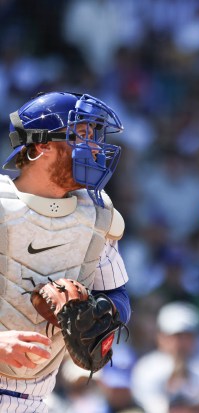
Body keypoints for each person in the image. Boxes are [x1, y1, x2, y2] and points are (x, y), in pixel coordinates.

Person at [0, 91, 131, 412]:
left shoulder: (98, 215)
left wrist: (99, 314)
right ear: (42, 145)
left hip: (34, 400)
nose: (96, 147)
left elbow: (117, 295)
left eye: (94, 136)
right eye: (82, 136)